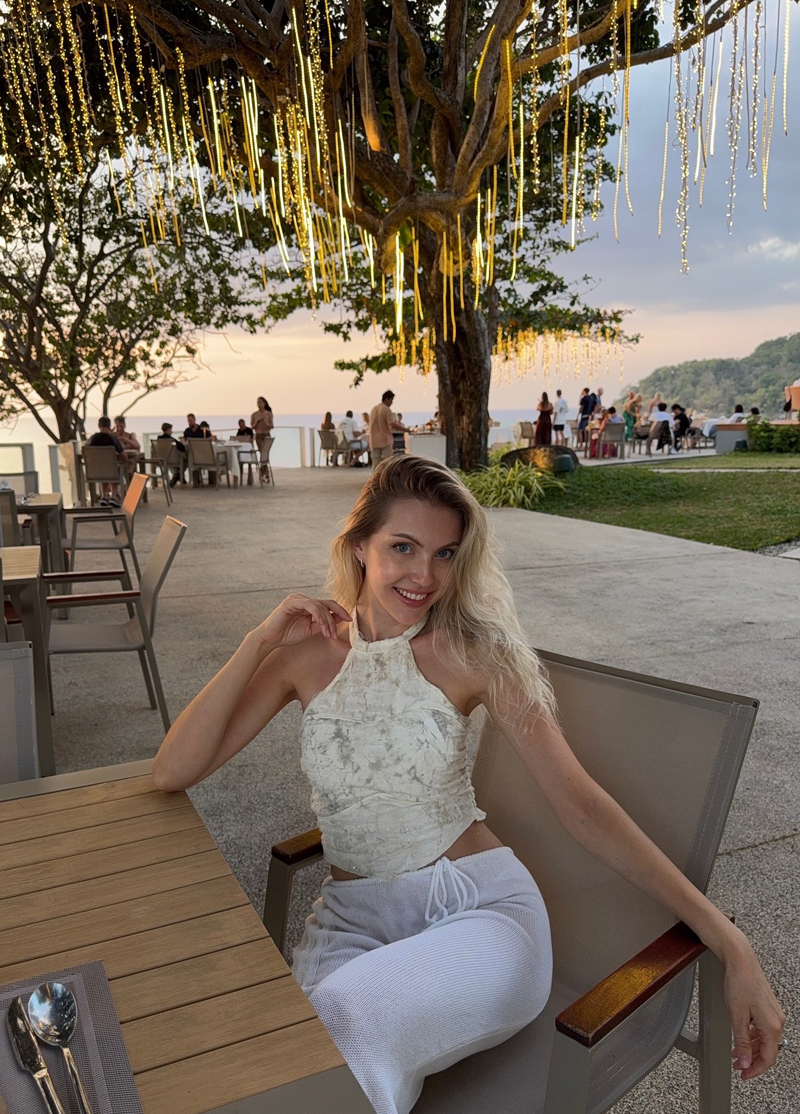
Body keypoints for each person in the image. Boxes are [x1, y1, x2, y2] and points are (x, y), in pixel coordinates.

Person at [152, 456, 784, 1114]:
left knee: (343, 1024)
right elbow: (173, 770)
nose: (424, 576)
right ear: (359, 545)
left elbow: (583, 809)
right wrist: (257, 641)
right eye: (403, 547)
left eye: (445, 553)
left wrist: (728, 940)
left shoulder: (474, 652)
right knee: (289, 1076)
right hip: (348, 926)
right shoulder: (304, 653)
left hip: (477, 915)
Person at [87, 416, 124, 504]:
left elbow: (86, 452)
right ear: (109, 426)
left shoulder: (92, 439)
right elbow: (124, 456)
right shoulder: (113, 439)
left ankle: (104, 495)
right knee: (115, 468)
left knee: (102, 467)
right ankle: (114, 495)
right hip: (112, 472)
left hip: (95, 472)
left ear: (98, 426)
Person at [369, 390, 408, 466]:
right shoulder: (386, 410)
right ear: (387, 399)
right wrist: (406, 430)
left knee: (376, 463)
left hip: (374, 440)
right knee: (387, 463)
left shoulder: (374, 409)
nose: (392, 403)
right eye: (391, 400)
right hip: (385, 439)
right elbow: (392, 424)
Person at [251, 397, 275, 482]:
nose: (259, 404)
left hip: (266, 435)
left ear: (264, 403)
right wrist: (256, 422)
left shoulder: (268, 414)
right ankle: (265, 473)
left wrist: (267, 423)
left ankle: (263, 473)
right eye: (257, 402)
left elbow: (272, 426)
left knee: (265, 453)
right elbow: (252, 427)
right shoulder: (254, 414)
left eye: (260, 402)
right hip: (259, 435)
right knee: (262, 452)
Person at [157, 422, 187, 486]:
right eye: (171, 429)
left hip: (163, 459)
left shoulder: (159, 439)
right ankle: (179, 475)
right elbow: (182, 448)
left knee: (174, 463)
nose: (172, 431)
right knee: (186, 461)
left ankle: (177, 475)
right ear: (168, 430)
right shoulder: (171, 440)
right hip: (173, 460)